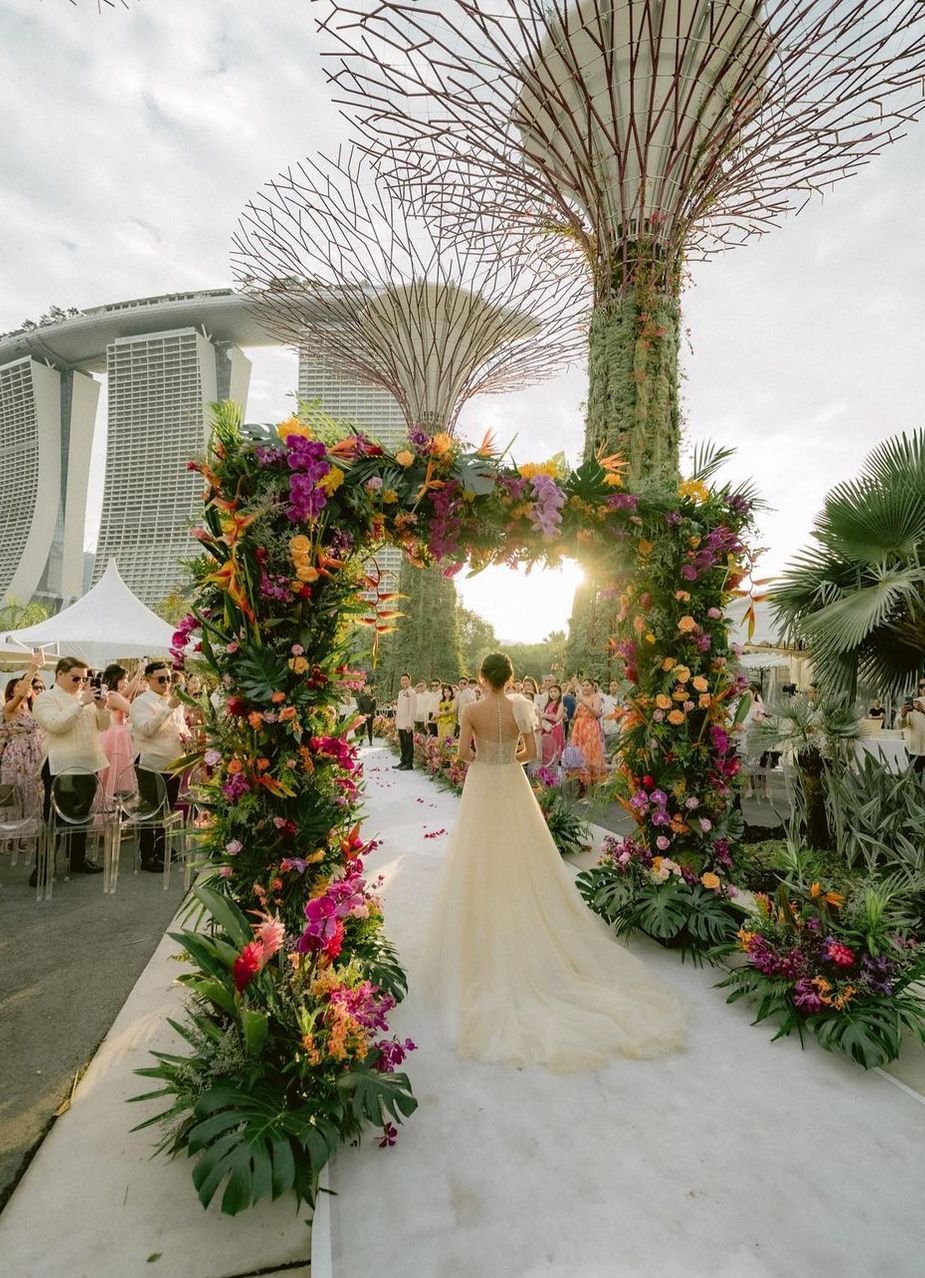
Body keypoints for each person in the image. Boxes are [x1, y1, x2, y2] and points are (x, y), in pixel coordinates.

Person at [420, 651, 684, 1071]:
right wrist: (508, 758)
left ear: (482, 677)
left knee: (479, 850)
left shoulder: (471, 710)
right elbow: (532, 750)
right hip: (512, 781)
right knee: (521, 848)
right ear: (509, 677)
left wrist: (486, 757)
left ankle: (485, 912)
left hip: (484, 782)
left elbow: (465, 755)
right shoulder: (520, 707)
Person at [32, 656, 109, 878]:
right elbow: (56, 725)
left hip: (88, 764)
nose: (81, 683)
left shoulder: (84, 698)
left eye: (84, 679)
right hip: (61, 766)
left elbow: (104, 726)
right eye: (76, 678)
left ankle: (78, 859)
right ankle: (43, 866)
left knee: (83, 817)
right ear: (60, 674)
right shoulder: (46, 698)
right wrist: (81, 703)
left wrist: (102, 707)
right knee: (53, 818)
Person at [130, 660, 189, 871]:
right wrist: (168, 708)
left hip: (174, 762)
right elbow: (147, 729)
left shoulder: (174, 701)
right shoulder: (141, 702)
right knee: (150, 812)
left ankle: (163, 848)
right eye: (161, 679)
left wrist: (188, 737)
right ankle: (147, 855)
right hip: (151, 762)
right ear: (149, 680)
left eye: (169, 679)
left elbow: (181, 726)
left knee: (168, 810)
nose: (166, 683)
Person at [1, 654, 45, 854]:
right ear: (12, 691)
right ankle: (12, 840)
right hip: (18, 755)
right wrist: (32, 669)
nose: (25, 688)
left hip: (35, 754)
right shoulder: (10, 708)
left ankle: (28, 838)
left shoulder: (33, 709)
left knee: (33, 794)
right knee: (17, 793)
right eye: (20, 686)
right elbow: (20, 695)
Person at [99, 662, 142, 800]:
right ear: (115, 679)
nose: (126, 682)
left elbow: (127, 693)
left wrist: (138, 675)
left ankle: (113, 800)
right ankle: (112, 801)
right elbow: (131, 709)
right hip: (116, 737)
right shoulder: (112, 696)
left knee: (117, 770)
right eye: (124, 679)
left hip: (116, 735)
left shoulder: (113, 694)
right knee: (117, 770)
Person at [570, 679, 608, 787]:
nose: (585, 687)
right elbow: (574, 716)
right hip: (579, 728)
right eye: (583, 685)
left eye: (587, 685)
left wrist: (585, 702)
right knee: (579, 753)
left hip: (590, 726)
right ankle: (580, 783)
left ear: (593, 687)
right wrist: (576, 709)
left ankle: (592, 783)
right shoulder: (581, 699)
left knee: (590, 753)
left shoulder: (596, 697)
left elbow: (596, 713)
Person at [900, 685, 925, 776]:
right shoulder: (913, 703)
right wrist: (903, 715)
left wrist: (924, 711)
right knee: (915, 780)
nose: (924, 688)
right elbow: (902, 725)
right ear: (920, 690)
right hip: (914, 751)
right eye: (922, 686)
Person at [539, 682, 566, 767]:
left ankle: (555, 768)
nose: (552, 693)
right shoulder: (549, 704)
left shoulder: (560, 704)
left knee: (555, 749)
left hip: (555, 729)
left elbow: (556, 718)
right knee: (547, 749)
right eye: (551, 692)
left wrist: (545, 715)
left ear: (560, 693)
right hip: (547, 729)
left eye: (555, 691)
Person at [393, 673, 416, 770]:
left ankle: (409, 763)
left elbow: (412, 709)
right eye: (402, 680)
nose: (404, 681)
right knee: (402, 743)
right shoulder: (400, 692)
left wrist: (409, 723)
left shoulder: (412, 693)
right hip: (400, 722)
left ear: (409, 681)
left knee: (408, 743)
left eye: (406, 679)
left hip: (407, 723)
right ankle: (403, 761)